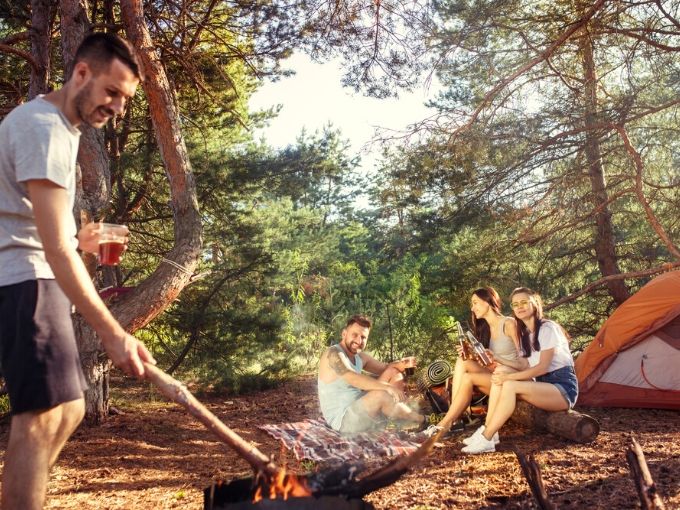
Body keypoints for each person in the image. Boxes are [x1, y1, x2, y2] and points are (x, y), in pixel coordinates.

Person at [0, 33, 155, 509]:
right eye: (112, 92)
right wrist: (112, 333)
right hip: (26, 278)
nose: (118, 107)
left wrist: (80, 241)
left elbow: (47, 231)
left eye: (126, 99)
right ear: (81, 73)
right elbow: (51, 248)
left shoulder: (59, 129)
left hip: (34, 276)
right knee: (44, 415)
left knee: (66, 409)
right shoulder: (44, 127)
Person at [461, 287, 578, 454]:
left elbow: (542, 367)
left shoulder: (547, 328)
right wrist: (496, 357)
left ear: (535, 304)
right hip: (541, 386)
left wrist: (511, 378)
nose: (519, 307)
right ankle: (490, 432)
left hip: (562, 389)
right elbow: (524, 365)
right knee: (501, 372)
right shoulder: (525, 335)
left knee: (509, 384)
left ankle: (486, 436)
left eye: (524, 302)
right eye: (515, 304)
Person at [423, 287, 527, 437]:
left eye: (475, 303)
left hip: (511, 381)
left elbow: (524, 364)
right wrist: (472, 356)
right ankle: (449, 420)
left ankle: (448, 421)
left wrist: (497, 359)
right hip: (495, 379)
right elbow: (489, 363)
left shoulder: (509, 323)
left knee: (468, 377)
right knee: (462, 360)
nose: (472, 308)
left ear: (488, 301)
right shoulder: (485, 329)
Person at [318, 315, 426, 434]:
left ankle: (393, 419)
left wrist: (403, 364)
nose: (359, 341)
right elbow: (351, 377)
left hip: (359, 408)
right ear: (344, 334)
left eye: (363, 337)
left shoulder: (359, 357)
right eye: (354, 335)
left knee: (394, 372)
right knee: (381, 394)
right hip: (343, 420)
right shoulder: (333, 353)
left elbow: (387, 368)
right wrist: (387, 387)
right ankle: (423, 420)